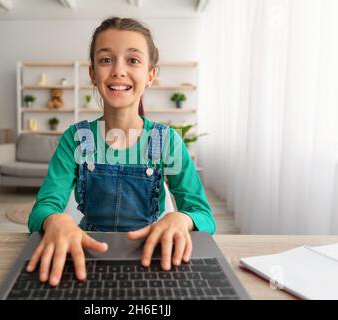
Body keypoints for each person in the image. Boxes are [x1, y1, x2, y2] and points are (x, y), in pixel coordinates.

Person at [26, 17, 216, 287]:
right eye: (106, 60)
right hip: (86, 258)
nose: (118, 70)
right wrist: (55, 219)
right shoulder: (76, 139)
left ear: (151, 75)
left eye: (133, 60)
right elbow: (40, 211)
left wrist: (181, 218)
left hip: (151, 260)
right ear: (92, 73)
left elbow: (204, 217)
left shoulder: (167, 141)